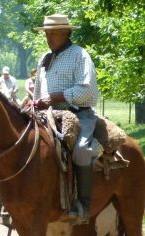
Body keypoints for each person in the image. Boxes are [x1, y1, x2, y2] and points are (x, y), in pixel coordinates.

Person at [34, 14, 99, 224]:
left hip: (80, 114)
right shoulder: (44, 58)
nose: (48, 37)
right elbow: (37, 92)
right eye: (47, 33)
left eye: (53, 33)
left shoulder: (80, 55)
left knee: (81, 150)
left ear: (67, 33)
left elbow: (87, 91)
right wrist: (33, 104)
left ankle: (83, 205)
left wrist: (57, 96)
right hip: (48, 116)